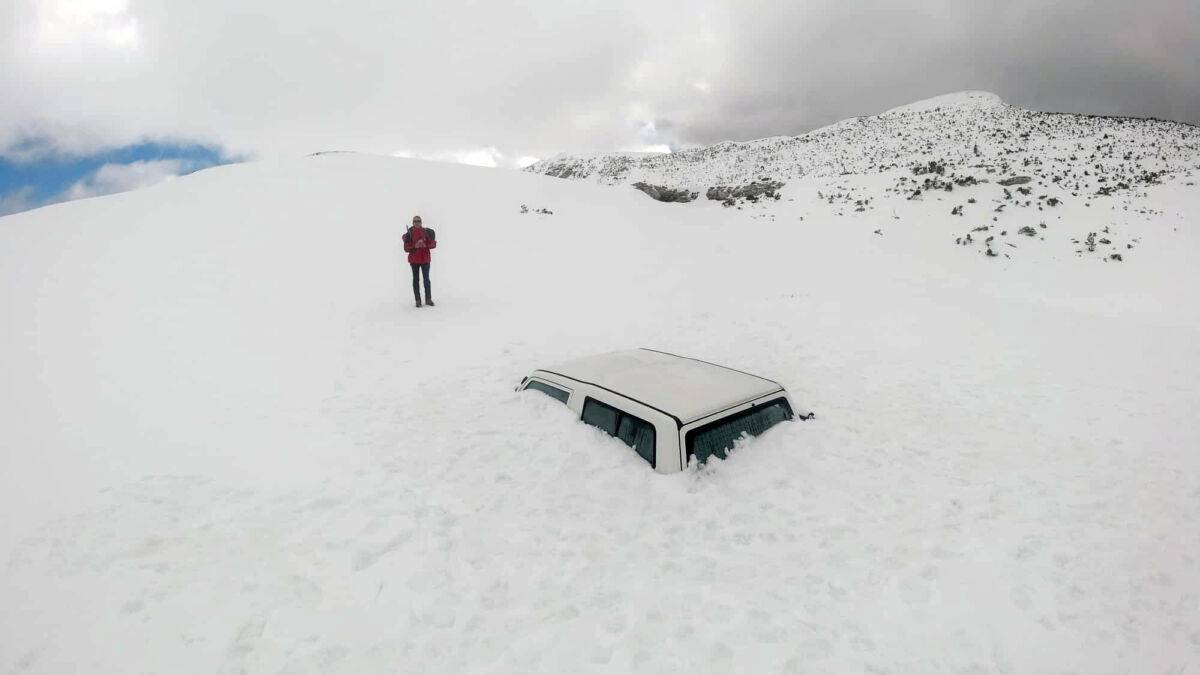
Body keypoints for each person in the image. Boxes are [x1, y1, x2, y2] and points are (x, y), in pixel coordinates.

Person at [403, 215, 437, 307]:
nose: (417, 222)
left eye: (418, 221)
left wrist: (425, 244)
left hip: (425, 260)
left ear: (421, 222)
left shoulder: (426, 232)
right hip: (414, 261)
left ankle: (428, 299)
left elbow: (433, 244)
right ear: (413, 223)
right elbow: (406, 248)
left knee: (426, 280)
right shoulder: (409, 233)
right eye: (415, 221)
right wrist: (415, 246)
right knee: (416, 280)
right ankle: (418, 301)